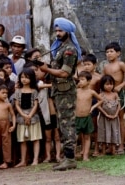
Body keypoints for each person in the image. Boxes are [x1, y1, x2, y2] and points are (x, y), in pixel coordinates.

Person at [39, 17, 81, 170]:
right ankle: (67, 158)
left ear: (68, 32)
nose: (57, 33)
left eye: (60, 30)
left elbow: (64, 73)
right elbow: (58, 68)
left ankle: (70, 159)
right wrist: (45, 66)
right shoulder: (61, 47)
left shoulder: (69, 49)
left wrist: (46, 69)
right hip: (59, 91)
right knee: (63, 124)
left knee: (67, 124)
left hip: (66, 92)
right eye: (56, 30)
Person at [14, 68, 42, 167]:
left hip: (33, 118)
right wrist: (24, 115)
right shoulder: (18, 91)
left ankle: (35, 159)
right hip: (21, 118)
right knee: (22, 140)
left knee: (35, 139)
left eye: (26, 77)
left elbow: (36, 104)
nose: (24, 79)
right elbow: (17, 105)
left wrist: (29, 115)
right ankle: (23, 160)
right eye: (22, 77)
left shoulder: (34, 91)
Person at [103, 42, 125, 154]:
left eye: (111, 51)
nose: (109, 54)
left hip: (120, 94)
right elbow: (104, 81)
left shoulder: (121, 64)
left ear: (118, 53)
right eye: (107, 52)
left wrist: (121, 85)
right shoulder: (105, 67)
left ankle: (121, 145)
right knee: (111, 118)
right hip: (109, 95)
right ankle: (111, 144)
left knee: (120, 118)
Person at [76, 71, 103, 161]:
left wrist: (93, 107)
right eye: (79, 80)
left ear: (89, 81)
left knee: (87, 136)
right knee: (75, 137)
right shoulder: (76, 91)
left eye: (83, 79)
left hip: (87, 117)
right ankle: (72, 156)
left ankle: (86, 156)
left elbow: (101, 100)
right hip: (77, 117)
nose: (80, 81)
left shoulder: (91, 92)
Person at [82, 54, 102, 156]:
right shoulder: (81, 77)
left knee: (94, 125)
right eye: (84, 64)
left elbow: (99, 93)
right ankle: (83, 148)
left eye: (88, 64)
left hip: (93, 101)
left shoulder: (98, 77)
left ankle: (96, 148)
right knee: (83, 124)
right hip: (82, 102)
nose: (86, 67)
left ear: (94, 65)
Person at [98, 75, 121, 155]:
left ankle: (113, 150)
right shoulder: (101, 95)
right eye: (107, 84)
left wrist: (116, 114)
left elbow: (119, 105)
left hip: (114, 118)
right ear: (102, 85)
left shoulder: (115, 94)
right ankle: (104, 151)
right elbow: (99, 107)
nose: (109, 86)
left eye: (111, 84)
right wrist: (106, 114)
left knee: (114, 132)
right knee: (104, 132)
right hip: (104, 118)